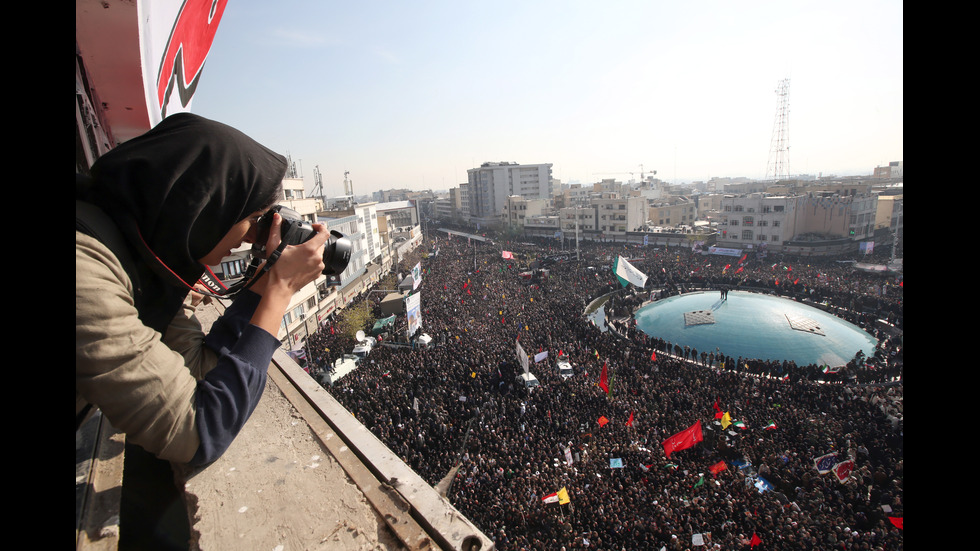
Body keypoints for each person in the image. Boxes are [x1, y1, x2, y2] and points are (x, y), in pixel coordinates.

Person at [76, 113, 329, 467]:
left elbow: (202, 369)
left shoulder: (144, 259)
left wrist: (259, 288)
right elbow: (200, 432)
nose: (249, 237)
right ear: (203, 208)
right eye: (252, 220)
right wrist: (280, 290)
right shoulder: (86, 273)